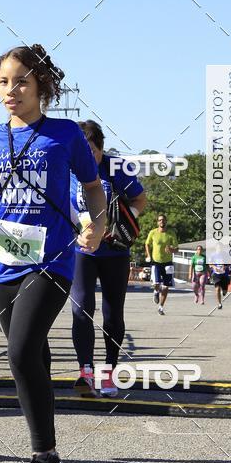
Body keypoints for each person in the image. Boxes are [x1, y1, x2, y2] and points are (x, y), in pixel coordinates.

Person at [0, 44, 106, 463]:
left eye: (21, 81)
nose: (11, 90)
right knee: (34, 356)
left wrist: (99, 224)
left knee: (20, 351)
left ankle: (45, 456)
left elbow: (93, 187)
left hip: (52, 259)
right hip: (3, 262)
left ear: (41, 85)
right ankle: (44, 442)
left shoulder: (65, 134)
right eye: (3, 81)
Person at [69, 121, 146, 397]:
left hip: (114, 251)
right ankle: (86, 372)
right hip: (82, 251)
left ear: (101, 148)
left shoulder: (116, 167)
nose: (87, 157)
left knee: (112, 313)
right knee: (81, 309)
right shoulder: (67, 166)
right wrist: (73, 231)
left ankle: (109, 372)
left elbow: (140, 199)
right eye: (81, 151)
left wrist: (123, 223)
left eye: (91, 151)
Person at [145, 215, 179, 315]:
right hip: (156, 262)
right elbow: (147, 244)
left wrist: (172, 250)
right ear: (157, 222)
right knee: (156, 283)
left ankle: (161, 307)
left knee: (166, 286)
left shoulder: (171, 233)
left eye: (163, 220)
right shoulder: (153, 232)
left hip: (168, 263)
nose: (161, 221)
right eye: (160, 220)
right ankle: (156, 292)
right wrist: (148, 255)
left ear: (166, 221)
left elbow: (176, 249)